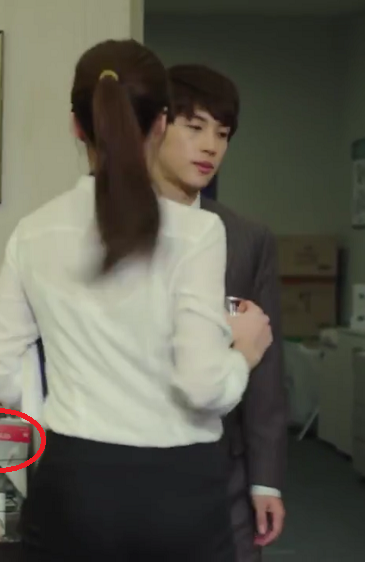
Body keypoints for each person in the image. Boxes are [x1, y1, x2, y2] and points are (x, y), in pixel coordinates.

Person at [0, 39, 274, 561]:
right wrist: (244, 352)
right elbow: (203, 387)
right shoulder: (197, 232)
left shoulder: (34, 232)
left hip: (70, 482)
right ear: (161, 124)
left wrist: (65, 406)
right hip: (179, 490)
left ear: (76, 125)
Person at [152, 63, 288, 561]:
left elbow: (267, 366)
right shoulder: (113, 228)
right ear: (157, 126)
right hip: (132, 458)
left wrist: (266, 481)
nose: (211, 146)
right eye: (195, 127)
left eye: (223, 134)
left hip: (221, 465)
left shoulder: (247, 238)